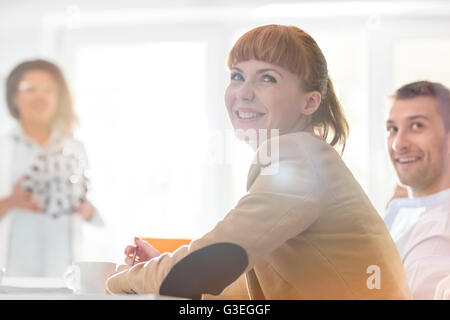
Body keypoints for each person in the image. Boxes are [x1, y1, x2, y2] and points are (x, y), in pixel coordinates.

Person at [106, 24, 411, 299]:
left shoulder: (298, 158)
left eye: (267, 78)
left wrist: (119, 281)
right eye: (237, 76)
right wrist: (163, 266)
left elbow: (208, 266)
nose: (243, 92)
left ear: (309, 102)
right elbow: (237, 283)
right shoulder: (302, 156)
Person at [0, 59, 103, 277]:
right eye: (30, 89)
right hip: (11, 274)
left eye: (48, 90)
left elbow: (96, 210)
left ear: (58, 98)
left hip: (63, 274)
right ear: (15, 97)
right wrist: (10, 202)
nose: (41, 97)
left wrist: (86, 209)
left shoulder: (76, 148)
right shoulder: (4, 147)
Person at [384, 81, 450, 299]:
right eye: (393, 129)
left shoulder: (440, 233)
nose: (398, 144)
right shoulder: (404, 215)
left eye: (416, 126)